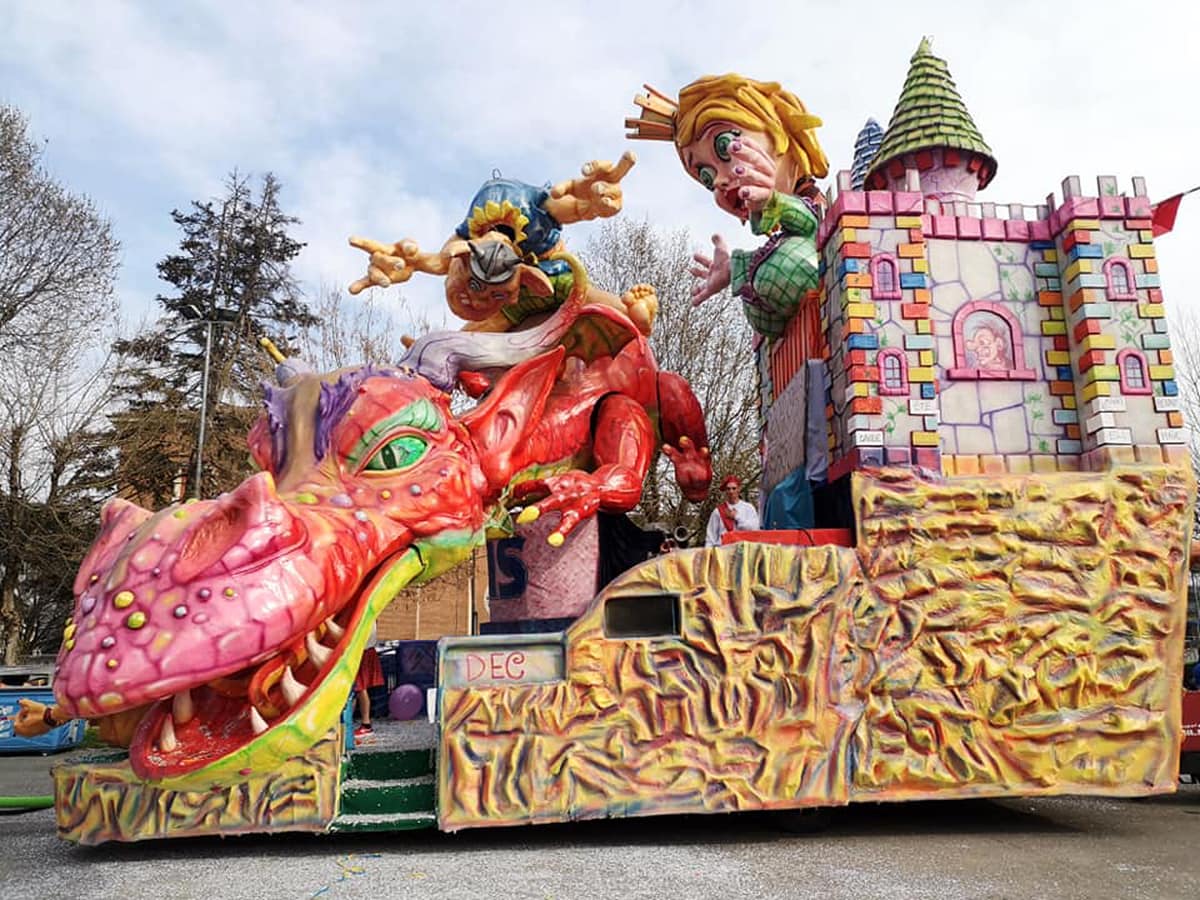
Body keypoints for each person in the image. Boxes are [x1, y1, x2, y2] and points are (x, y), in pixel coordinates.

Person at [627, 75, 829, 338]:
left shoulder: (817, 211)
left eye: (724, 147)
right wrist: (733, 269)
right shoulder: (784, 238)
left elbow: (812, 225)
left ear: (780, 133)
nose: (719, 181)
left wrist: (773, 201)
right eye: (706, 177)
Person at [705, 475, 760, 546]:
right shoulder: (718, 511)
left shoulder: (748, 508)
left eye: (734, 488)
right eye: (728, 489)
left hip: (744, 548)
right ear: (725, 491)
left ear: (739, 489)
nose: (731, 491)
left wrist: (737, 517)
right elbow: (710, 537)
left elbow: (755, 529)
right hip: (723, 549)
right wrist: (708, 551)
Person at [353, 623, 384, 741]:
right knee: (358, 689)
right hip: (365, 650)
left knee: (360, 688)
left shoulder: (364, 618)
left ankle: (366, 724)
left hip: (363, 651)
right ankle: (358, 723)